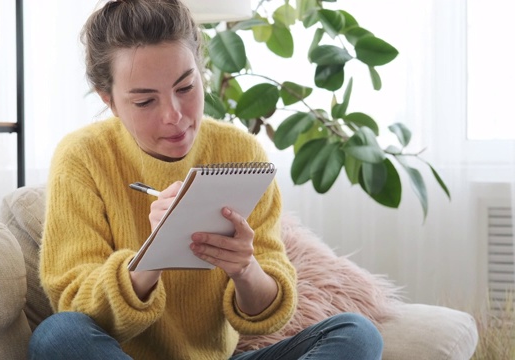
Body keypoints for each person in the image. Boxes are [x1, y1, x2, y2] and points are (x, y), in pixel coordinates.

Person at [29, 0, 384, 359]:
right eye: (145, 102)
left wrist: (245, 267)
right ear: (110, 101)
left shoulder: (240, 151)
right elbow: (75, 306)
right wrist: (154, 255)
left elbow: (269, 313)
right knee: (58, 336)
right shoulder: (82, 157)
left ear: (202, 72)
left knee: (356, 333)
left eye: (185, 88)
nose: (174, 116)